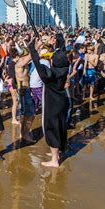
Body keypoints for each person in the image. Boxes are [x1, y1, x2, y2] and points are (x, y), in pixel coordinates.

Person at [28, 34, 70, 168]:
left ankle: (54, 160)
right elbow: (62, 51)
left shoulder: (50, 74)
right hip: (61, 102)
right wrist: (59, 38)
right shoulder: (64, 69)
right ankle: (56, 154)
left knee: (51, 129)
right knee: (60, 126)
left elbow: (37, 63)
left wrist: (32, 49)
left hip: (51, 104)